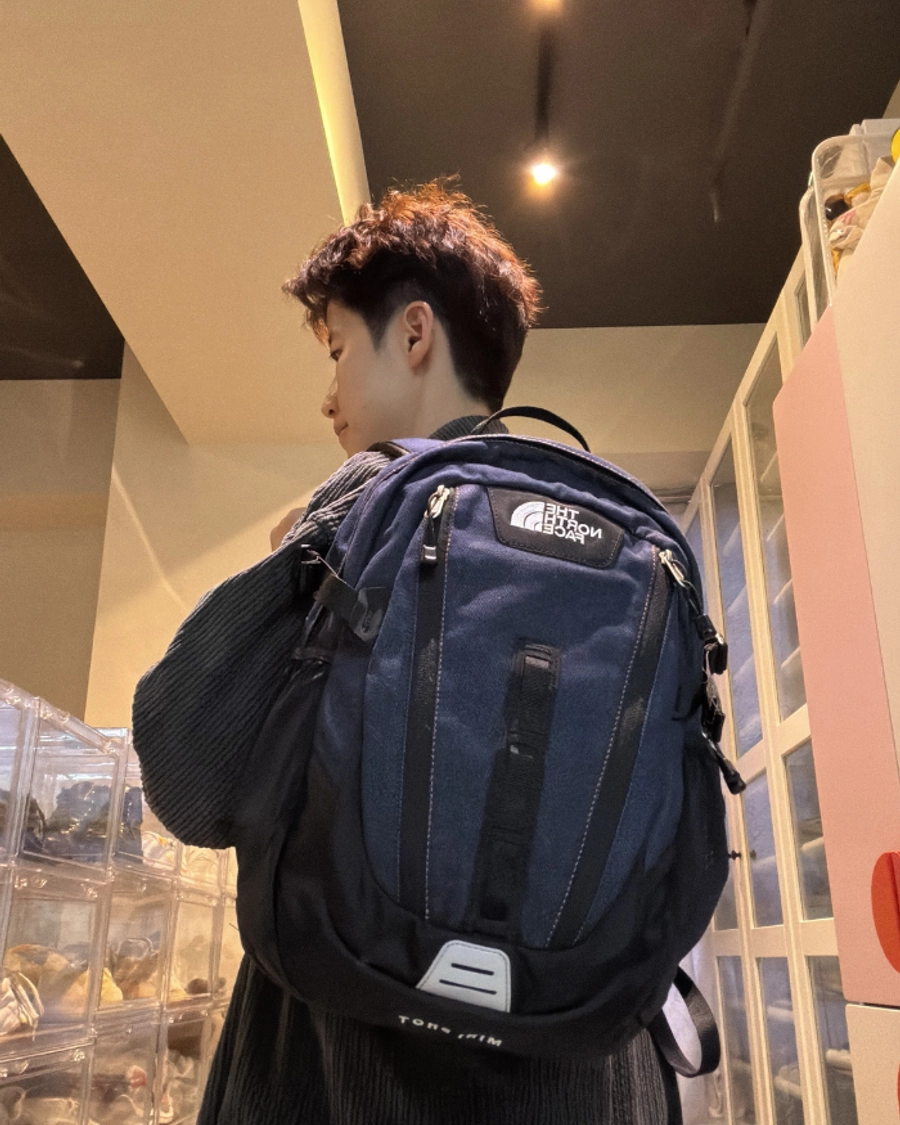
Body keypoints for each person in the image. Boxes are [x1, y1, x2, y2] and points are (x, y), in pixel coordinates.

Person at [136, 182, 674, 1124]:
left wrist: (296, 572)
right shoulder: (622, 545)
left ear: (415, 332)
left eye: (339, 349)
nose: (328, 395)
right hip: (581, 1077)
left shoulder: (365, 501)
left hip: (341, 1072)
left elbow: (185, 773)